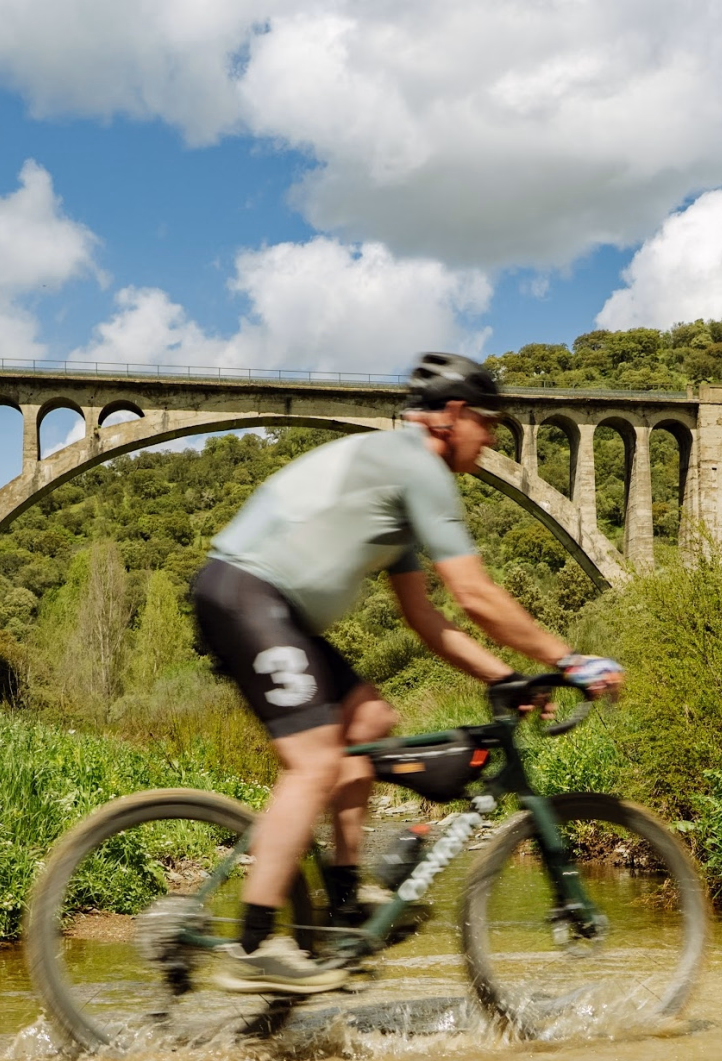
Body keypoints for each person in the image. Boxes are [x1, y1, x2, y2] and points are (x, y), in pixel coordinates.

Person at [188, 352, 625, 994]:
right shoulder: (418, 466)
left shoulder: (397, 486)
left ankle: (343, 905)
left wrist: (502, 675)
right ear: (453, 416)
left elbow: (426, 617)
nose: (493, 439)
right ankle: (253, 949)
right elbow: (474, 595)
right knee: (313, 764)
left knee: (370, 720)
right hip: (247, 597)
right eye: (489, 423)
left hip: (272, 608)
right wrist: (566, 660)